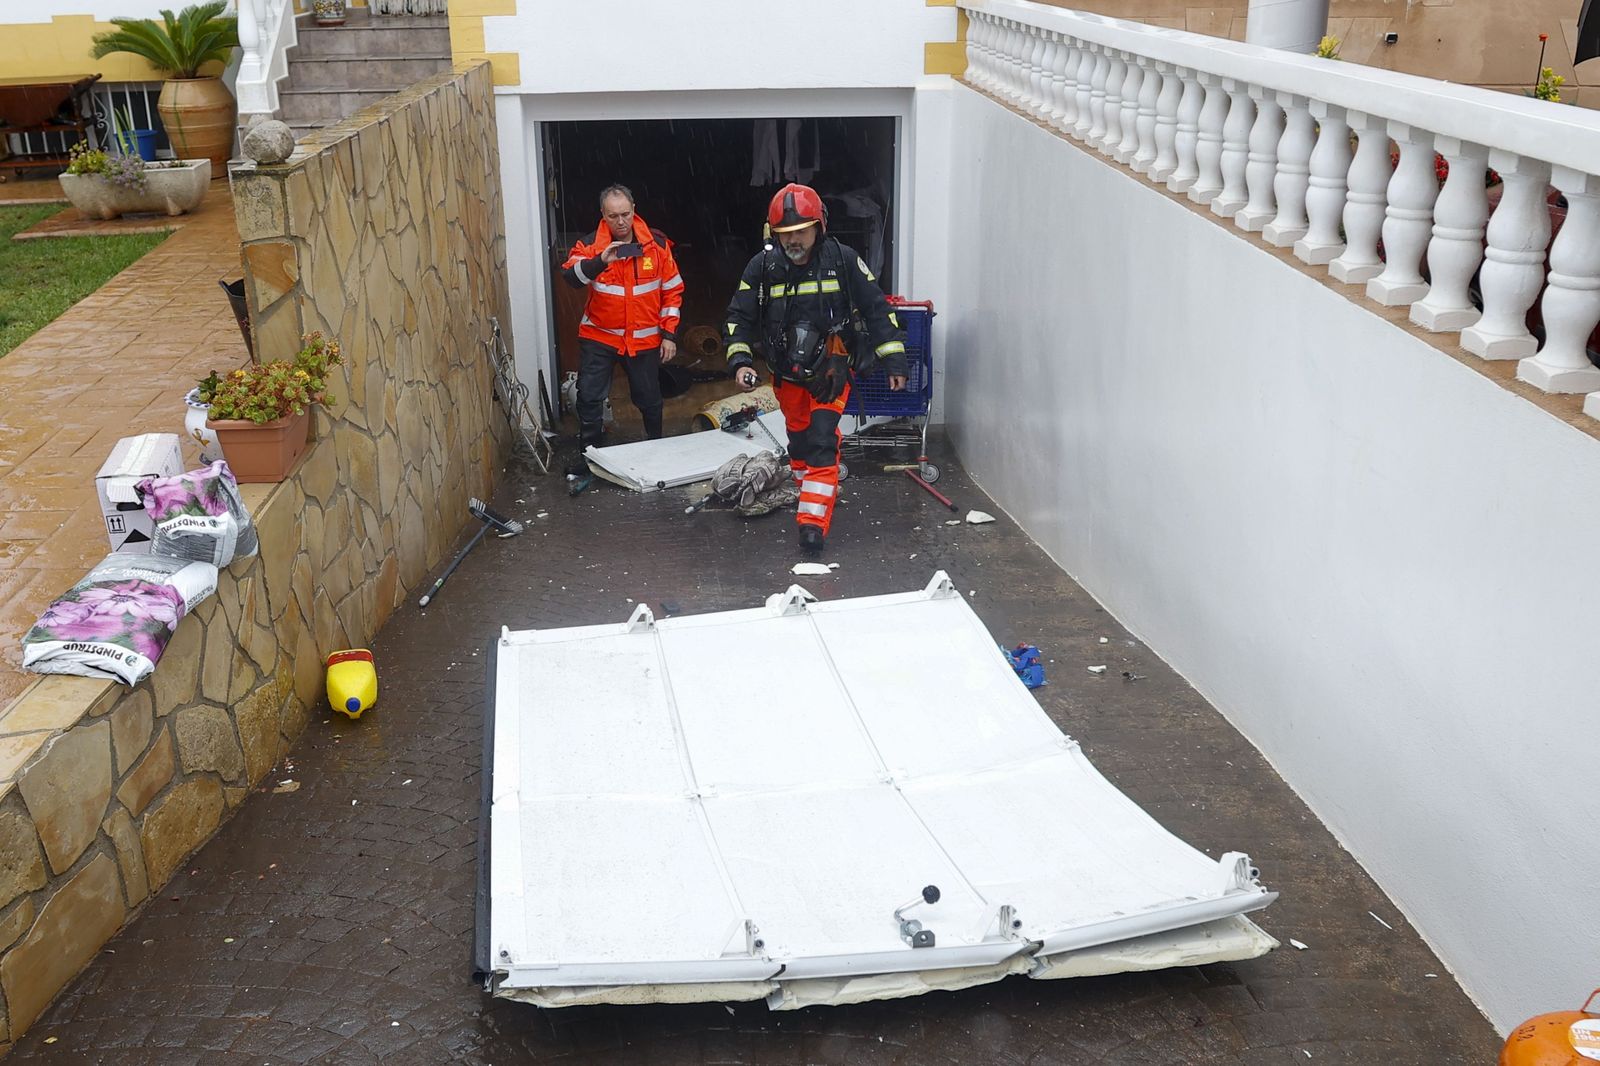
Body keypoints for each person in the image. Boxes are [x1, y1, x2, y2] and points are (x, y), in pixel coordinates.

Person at [724, 182, 909, 555]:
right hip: (786, 376)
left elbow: (877, 309)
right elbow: (739, 317)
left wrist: (894, 359)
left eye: (801, 232)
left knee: (823, 442)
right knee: (800, 443)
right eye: (786, 234)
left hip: (831, 374)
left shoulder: (842, 260)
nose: (794, 241)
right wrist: (740, 360)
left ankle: (812, 526)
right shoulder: (762, 267)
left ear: (818, 227)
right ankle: (812, 489)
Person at [561, 184, 684, 464]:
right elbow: (571, 278)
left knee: (650, 398)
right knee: (590, 397)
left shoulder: (658, 246)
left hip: (643, 339)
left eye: (625, 214)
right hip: (600, 336)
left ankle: (656, 450)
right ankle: (590, 457)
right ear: (603, 214)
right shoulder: (591, 245)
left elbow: (673, 291)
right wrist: (600, 261)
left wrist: (669, 334)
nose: (620, 221)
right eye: (613, 216)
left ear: (634, 210)